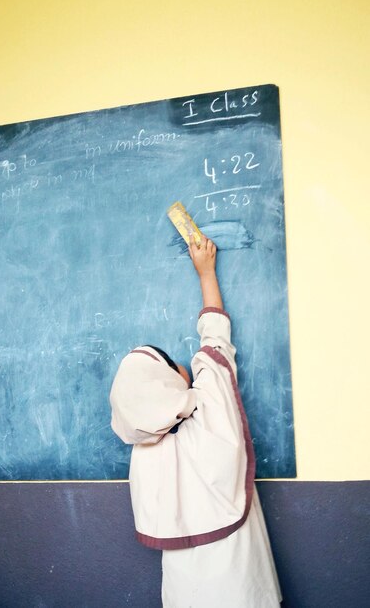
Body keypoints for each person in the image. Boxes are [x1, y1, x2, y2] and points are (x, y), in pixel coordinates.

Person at [110, 235, 282, 607]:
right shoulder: (209, 402)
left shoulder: (143, 445)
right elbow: (215, 342)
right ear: (169, 379)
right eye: (172, 364)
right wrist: (206, 272)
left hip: (184, 588)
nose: (182, 364)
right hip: (240, 573)